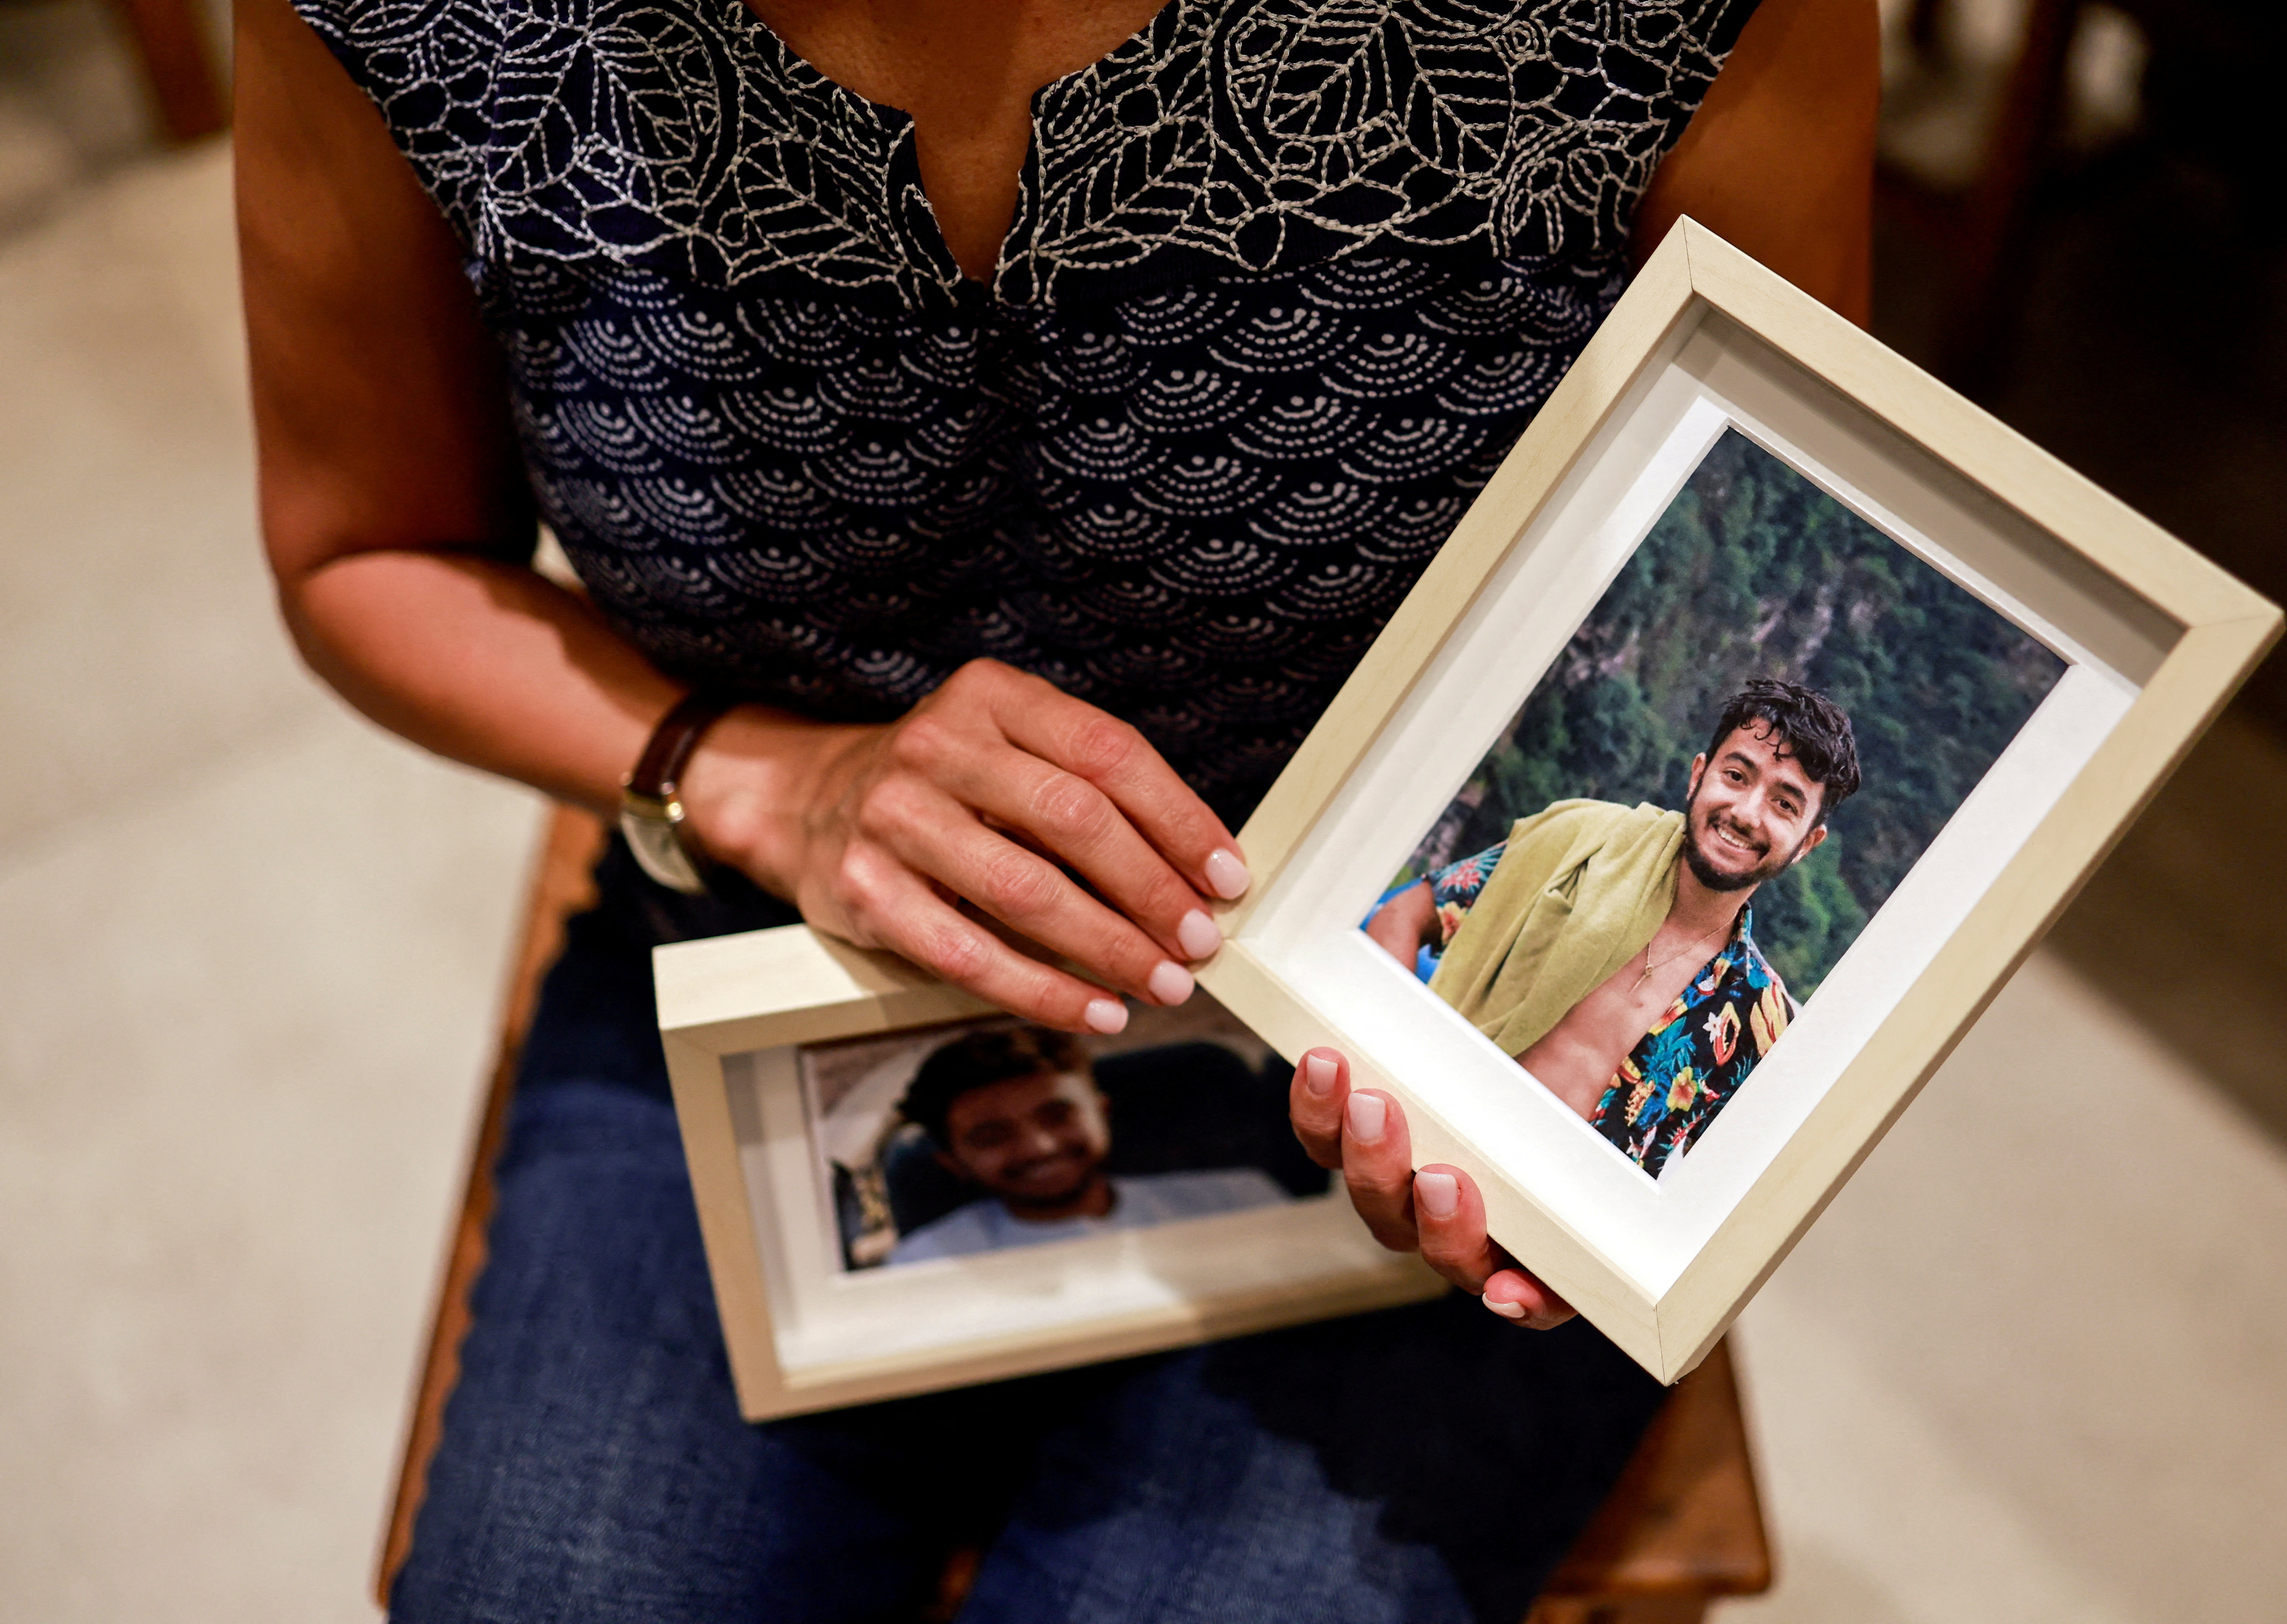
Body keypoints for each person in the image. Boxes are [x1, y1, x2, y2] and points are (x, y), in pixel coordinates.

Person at [234, 0, 1877, 1611]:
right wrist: (759, 777)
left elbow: (1816, 527)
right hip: (777, 964)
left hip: (1434, 1047)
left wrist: (1526, 1076)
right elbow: (367, 548)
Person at [1366, 679, 1862, 1175]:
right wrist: (1386, 1076)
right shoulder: (1584, 843)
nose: (1747, 813)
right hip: (1429, 1134)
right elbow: (1404, 915)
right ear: (1698, 776)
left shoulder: (1762, 1022)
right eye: (1736, 775)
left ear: (1806, 844)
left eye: (1785, 804)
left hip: (1550, 1231)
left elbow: (1723, 1186)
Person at [886, 1026, 1288, 1263]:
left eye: (1058, 1115)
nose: (1040, 1146)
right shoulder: (927, 1264)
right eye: (992, 1137)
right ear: (952, 1162)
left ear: (1102, 1112)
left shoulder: (1239, 1199)